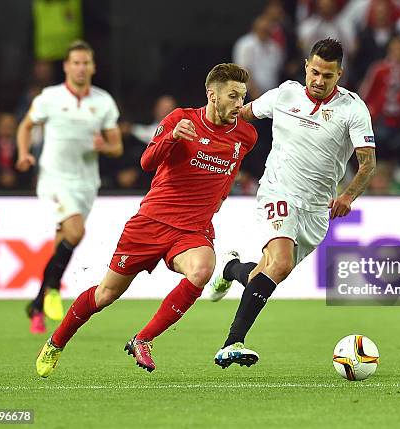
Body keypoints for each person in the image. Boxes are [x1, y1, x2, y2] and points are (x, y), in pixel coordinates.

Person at [35, 63, 257, 378]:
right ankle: (57, 342)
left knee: (202, 270)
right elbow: (146, 162)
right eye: (233, 96)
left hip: (192, 229)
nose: (239, 104)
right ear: (212, 95)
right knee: (106, 294)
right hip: (151, 223)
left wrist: (218, 199)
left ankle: (144, 339)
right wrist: (171, 138)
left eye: (242, 97)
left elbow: (230, 169)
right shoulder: (181, 120)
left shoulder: (245, 135)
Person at [208, 38, 376, 368]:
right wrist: (209, 129)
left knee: (267, 271)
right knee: (280, 262)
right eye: (314, 72)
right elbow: (242, 114)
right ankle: (232, 343)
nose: (318, 80)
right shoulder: (285, 94)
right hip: (278, 191)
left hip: (317, 209)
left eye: (327, 76)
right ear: (306, 67)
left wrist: (347, 195)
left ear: (339, 74)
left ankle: (229, 268)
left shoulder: (353, 109)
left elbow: (368, 164)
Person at [16, 40, 123, 334]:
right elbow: (25, 125)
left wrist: (105, 145)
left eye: (85, 62)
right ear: (66, 66)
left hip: (86, 183)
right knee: (76, 232)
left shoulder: (103, 102)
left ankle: (38, 304)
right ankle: (51, 289)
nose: (80, 68)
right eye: (75, 62)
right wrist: (24, 153)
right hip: (54, 177)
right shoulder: (49, 97)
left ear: (93, 67)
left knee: (63, 241)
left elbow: (117, 146)